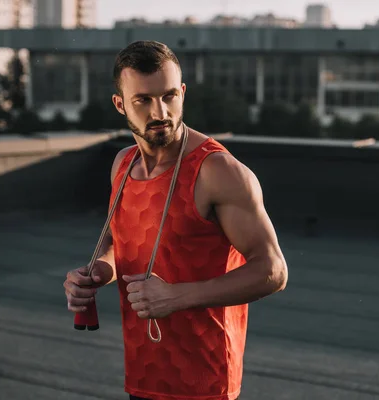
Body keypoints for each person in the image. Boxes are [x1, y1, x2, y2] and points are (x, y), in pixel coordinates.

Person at [63, 40, 288, 400]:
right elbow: (125, 244)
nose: (160, 111)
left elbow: (273, 271)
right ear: (120, 104)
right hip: (144, 370)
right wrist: (98, 273)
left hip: (206, 380)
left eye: (169, 96)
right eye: (144, 100)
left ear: (183, 92)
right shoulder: (122, 165)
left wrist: (176, 297)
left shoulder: (217, 171)